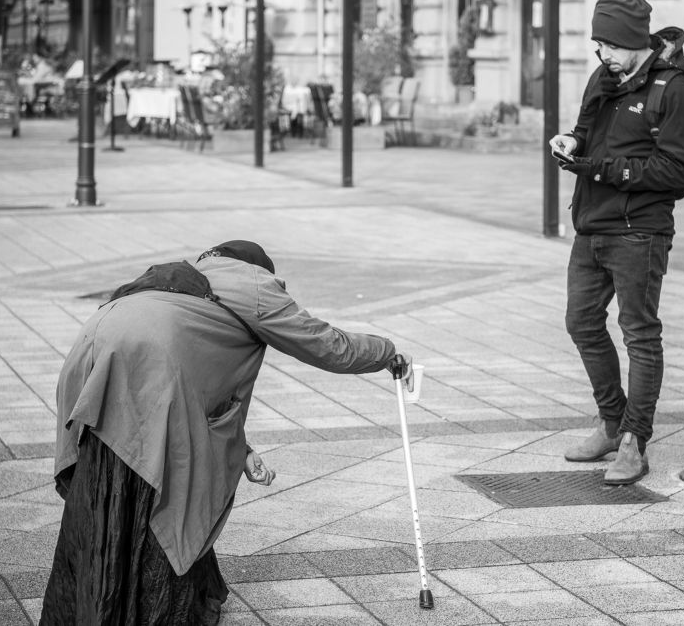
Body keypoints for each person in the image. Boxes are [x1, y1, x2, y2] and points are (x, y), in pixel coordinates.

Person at [41, 240, 413, 625]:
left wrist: (244, 449)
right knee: (168, 481)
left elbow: (204, 388)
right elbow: (329, 346)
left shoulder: (187, 278)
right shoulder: (256, 285)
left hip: (91, 346)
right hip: (149, 361)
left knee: (111, 475)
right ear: (261, 269)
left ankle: (98, 600)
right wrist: (386, 352)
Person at [549, 0, 684, 485]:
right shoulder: (603, 77)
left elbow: (677, 174)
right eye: (598, 45)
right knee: (581, 322)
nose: (603, 55)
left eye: (610, 45)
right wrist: (570, 142)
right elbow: (586, 129)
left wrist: (600, 167)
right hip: (592, 224)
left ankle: (635, 440)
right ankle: (611, 421)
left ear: (634, 40)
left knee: (639, 333)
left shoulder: (673, 90)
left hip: (640, 232)